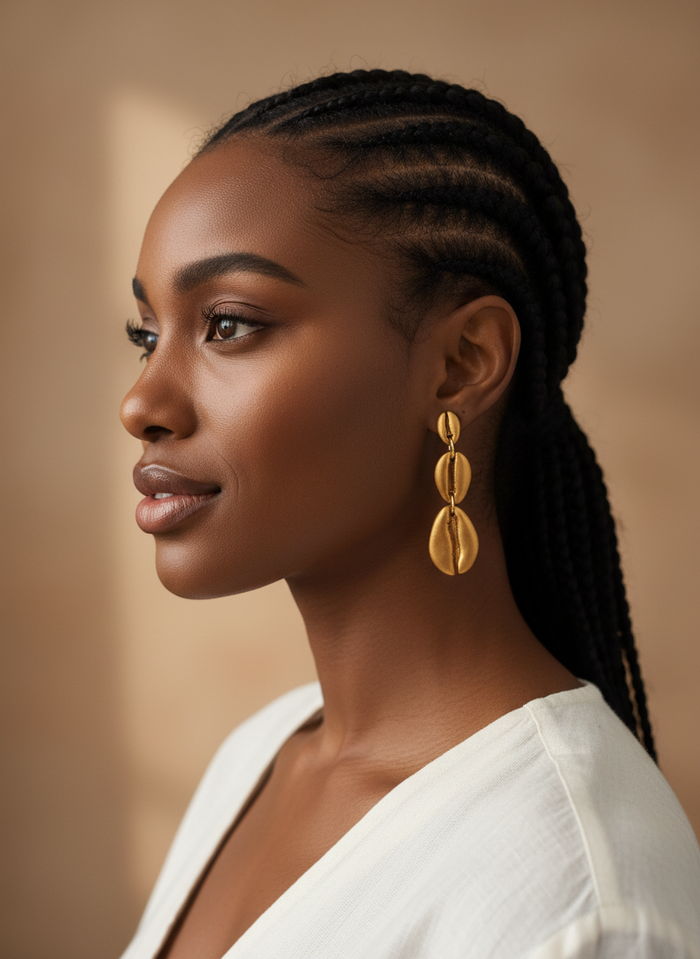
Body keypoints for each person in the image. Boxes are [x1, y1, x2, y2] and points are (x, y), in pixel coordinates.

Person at [118, 70, 700, 959]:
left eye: (229, 324)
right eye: (146, 332)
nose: (143, 401)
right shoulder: (263, 753)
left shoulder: (580, 900)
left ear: (464, 362)